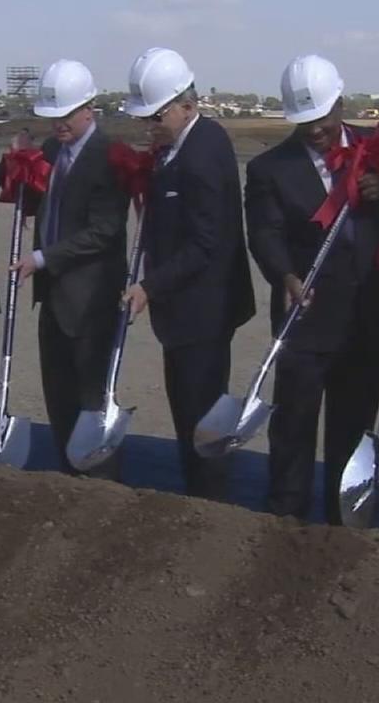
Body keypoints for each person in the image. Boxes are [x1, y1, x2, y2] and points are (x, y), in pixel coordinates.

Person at [245, 54, 379, 522]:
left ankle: (344, 521)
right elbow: (264, 232)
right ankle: (286, 517)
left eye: (323, 119)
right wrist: (284, 273)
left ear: (341, 104)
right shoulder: (271, 168)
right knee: (293, 427)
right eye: (305, 122)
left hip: (366, 319)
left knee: (352, 430)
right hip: (305, 319)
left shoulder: (377, 150)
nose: (316, 131)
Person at [122, 47, 255, 501]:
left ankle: (208, 502)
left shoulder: (203, 152)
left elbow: (205, 243)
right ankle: (196, 493)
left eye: (156, 116)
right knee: (186, 410)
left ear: (187, 104)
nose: (149, 126)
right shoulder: (178, 147)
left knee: (201, 415)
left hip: (204, 312)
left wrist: (149, 285)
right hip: (183, 312)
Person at [10, 59, 130, 479]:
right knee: (58, 396)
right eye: (52, 117)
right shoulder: (49, 152)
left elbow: (105, 231)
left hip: (92, 299)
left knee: (91, 401)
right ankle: (67, 479)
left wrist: (42, 258)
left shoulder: (110, 157)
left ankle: (101, 483)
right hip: (54, 298)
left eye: (65, 115)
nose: (58, 124)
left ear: (88, 109)